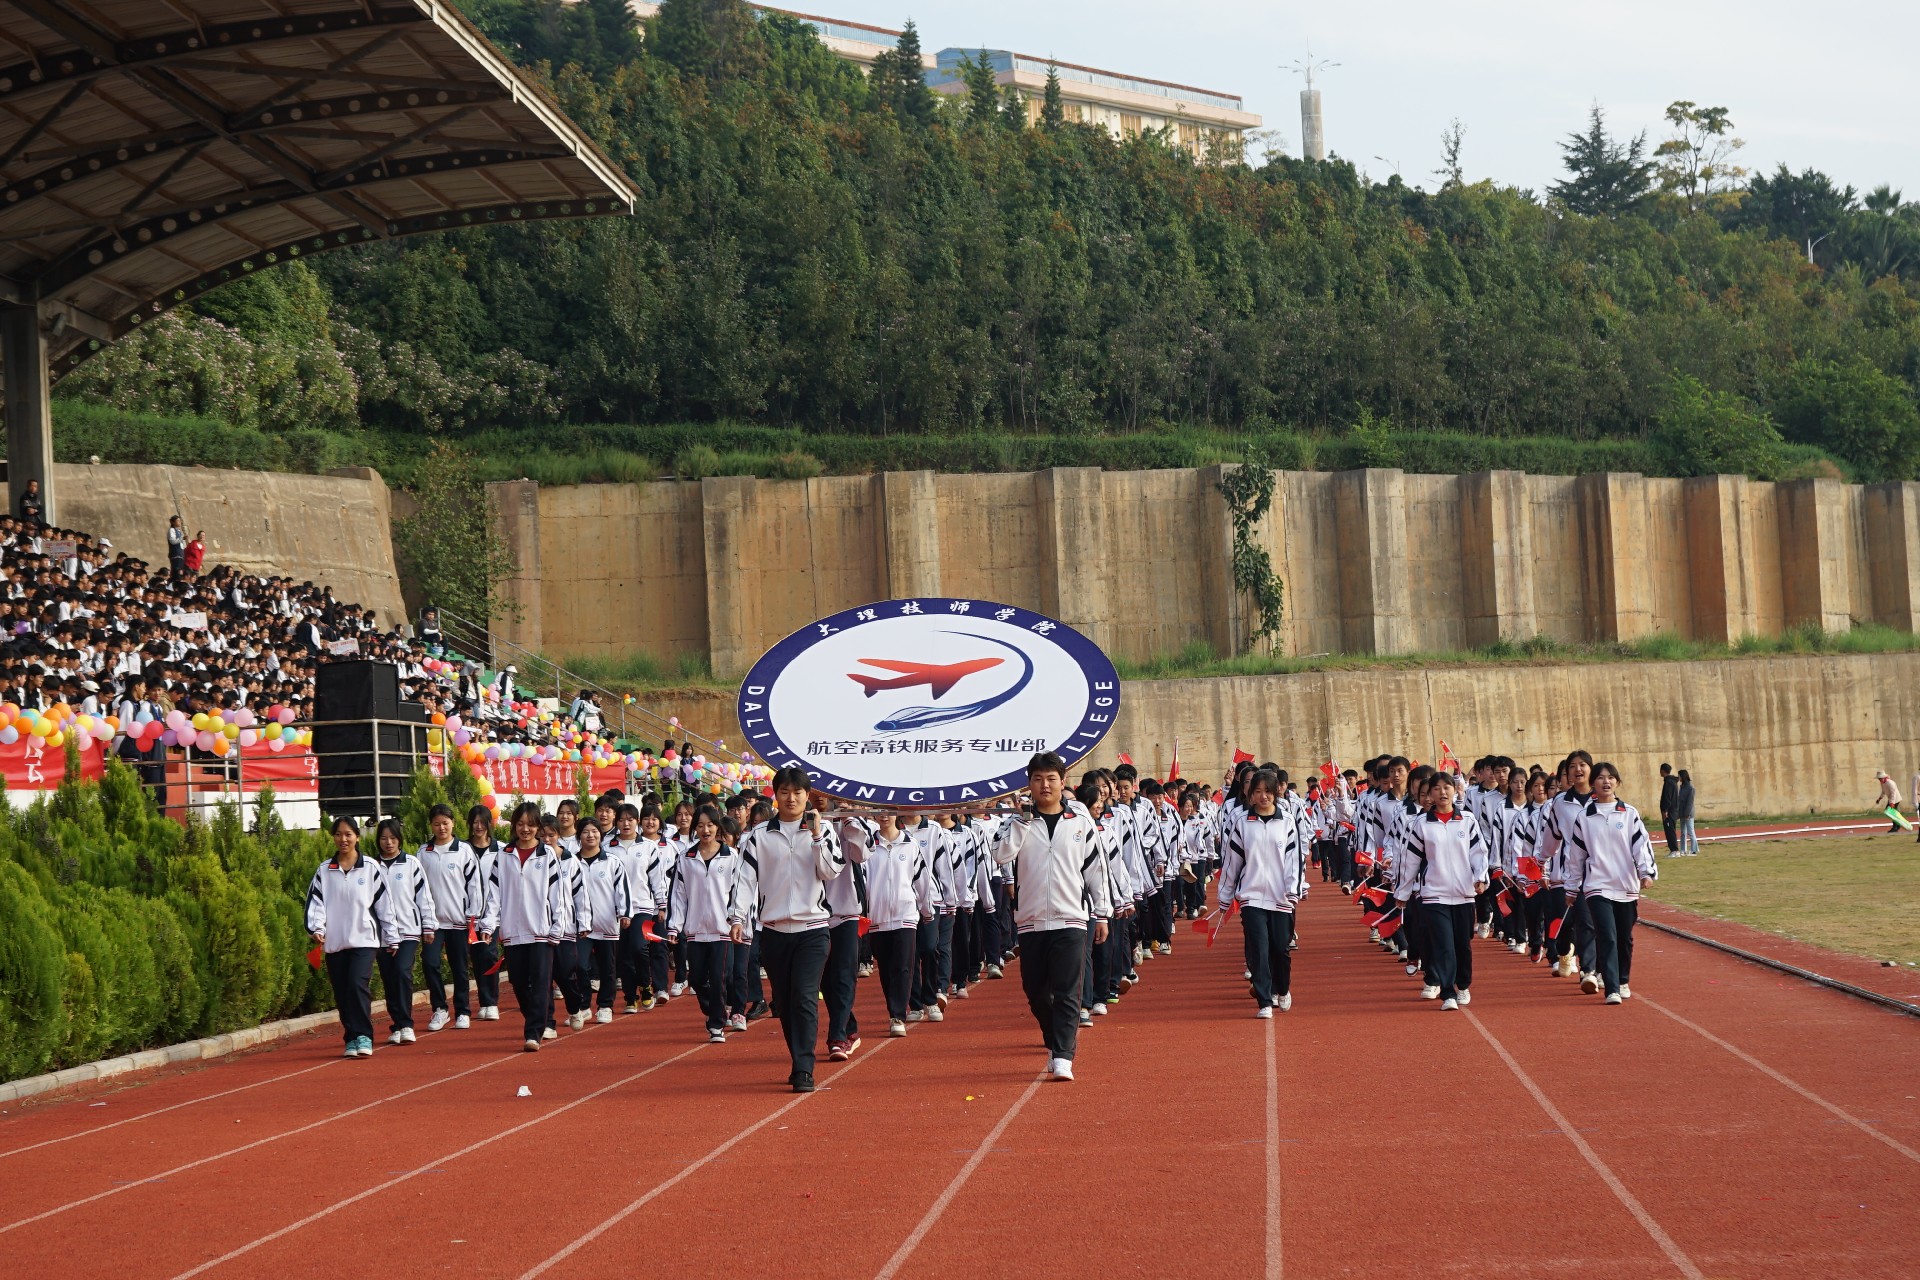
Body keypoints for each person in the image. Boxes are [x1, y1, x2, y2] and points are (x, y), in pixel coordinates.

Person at [990, 752, 1112, 1083]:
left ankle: (1063, 1056)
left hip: (1071, 917)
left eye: (1051, 778)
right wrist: (1021, 820)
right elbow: (999, 854)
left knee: (1068, 990)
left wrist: (1102, 913)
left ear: (1062, 781)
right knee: (1036, 990)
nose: (1045, 785)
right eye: (1038, 779)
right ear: (1029, 783)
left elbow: (1096, 869)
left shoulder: (1080, 821)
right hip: (1030, 920)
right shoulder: (1018, 822)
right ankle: (1053, 1040)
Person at [735, 766, 844, 1093]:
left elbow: (830, 871)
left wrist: (815, 837)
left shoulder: (822, 832)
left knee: (805, 998)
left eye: (798, 792)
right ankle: (798, 1056)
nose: (792, 798)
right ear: (776, 795)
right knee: (783, 1001)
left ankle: (803, 1067)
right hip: (775, 931)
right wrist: (738, 918)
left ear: (806, 795)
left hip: (812, 929)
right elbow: (744, 880)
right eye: (785, 792)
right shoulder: (758, 835)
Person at [481, 801, 575, 1052]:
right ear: (514, 826)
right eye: (520, 824)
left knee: (542, 981)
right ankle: (537, 1020)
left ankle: (533, 1032)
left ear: (537, 827)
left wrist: (558, 925)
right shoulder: (503, 856)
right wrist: (488, 924)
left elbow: (558, 895)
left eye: (530, 825)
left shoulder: (547, 857)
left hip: (542, 931)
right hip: (513, 931)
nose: (525, 829)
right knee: (520, 983)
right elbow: (493, 894)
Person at [305, 817, 399, 1059]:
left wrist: (392, 936)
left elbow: (384, 904)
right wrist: (317, 928)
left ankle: (364, 1035)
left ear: (357, 837)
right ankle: (351, 1037)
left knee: (358, 985)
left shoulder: (370, 868)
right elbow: (315, 903)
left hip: (364, 940)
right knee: (342, 991)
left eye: (348, 834)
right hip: (335, 943)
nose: (343, 839)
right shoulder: (325, 870)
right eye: (338, 834)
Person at [1564, 762, 1656, 1004]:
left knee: (1624, 937)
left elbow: (1640, 845)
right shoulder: (1585, 817)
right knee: (1607, 935)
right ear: (1593, 783)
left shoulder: (1629, 814)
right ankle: (1612, 988)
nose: (1606, 782)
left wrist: (1646, 873)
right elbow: (1576, 856)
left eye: (1611, 778)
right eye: (1601, 778)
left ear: (1617, 782)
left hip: (1626, 885)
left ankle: (1622, 979)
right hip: (1597, 885)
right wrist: (1572, 888)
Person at [1219, 767, 1309, 1017]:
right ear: (1250, 794)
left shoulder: (1287, 821)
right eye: (1257, 791)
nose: (1263, 796)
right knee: (1258, 949)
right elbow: (1232, 862)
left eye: (1267, 791)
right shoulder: (1241, 823)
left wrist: (1293, 890)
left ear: (1275, 793)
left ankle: (1282, 988)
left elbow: (1294, 859)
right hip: (1251, 896)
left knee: (1280, 948)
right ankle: (1264, 1000)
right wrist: (1226, 896)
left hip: (1281, 896)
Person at [1397, 772, 1489, 1011]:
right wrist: (1403, 892)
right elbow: (1410, 861)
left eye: (1446, 787)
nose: (1442, 792)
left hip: (1464, 894)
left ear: (1454, 790)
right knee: (1443, 944)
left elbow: (1479, 852)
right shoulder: (1421, 824)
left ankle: (1463, 985)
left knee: (1462, 944)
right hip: (1434, 894)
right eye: (1436, 789)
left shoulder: (1467, 820)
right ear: (1429, 795)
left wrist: (1480, 878)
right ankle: (1448, 992)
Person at [840, 808, 933, 1039]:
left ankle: (897, 1016)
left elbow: (922, 880)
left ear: (898, 814)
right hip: (878, 919)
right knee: (887, 970)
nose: (884, 816)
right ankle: (894, 1008)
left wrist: (926, 909)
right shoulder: (868, 848)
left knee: (903, 966)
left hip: (905, 915)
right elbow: (860, 881)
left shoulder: (910, 846)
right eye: (879, 812)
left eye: (889, 812)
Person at [666, 804, 747, 1045]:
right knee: (698, 980)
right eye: (700, 826)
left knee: (720, 977)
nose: (705, 830)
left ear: (718, 827)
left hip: (722, 931)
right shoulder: (686, 858)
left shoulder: (731, 856)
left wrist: (737, 920)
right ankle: (716, 1011)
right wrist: (674, 926)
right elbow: (678, 896)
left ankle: (716, 1025)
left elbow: (739, 891)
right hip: (695, 931)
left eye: (710, 825)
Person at [370, 818, 436, 1045]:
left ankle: (407, 1025)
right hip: (382, 935)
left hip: (408, 930)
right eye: (384, 838)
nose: (389, 843)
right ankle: (397, 1024)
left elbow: (423, 897)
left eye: (393, 838)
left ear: (400, 839)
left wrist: (429, 926)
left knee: (401, 972)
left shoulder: (411, 863)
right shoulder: (371, 866)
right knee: (389, 979)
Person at [418, 804, 481, 1031]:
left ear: (453, 823)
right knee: (430, 962)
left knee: (459, 967)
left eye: (445, 823)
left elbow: (475, 886)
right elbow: (418, 889)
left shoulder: (464, 850)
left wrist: (472, 914)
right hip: (433, 923)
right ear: (431, 826)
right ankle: (440, 1009)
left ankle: (463, 1011)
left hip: (459, 921)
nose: (441, 827)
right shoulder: (423, 852)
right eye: (437, 823)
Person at [575, 818, 634, 1023]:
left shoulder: (612, 862)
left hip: (606, 922)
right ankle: (583, 1005)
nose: (590, 835)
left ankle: (605, 1005)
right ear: (578, 835)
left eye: (594, 831)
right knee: (579, 966)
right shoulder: (572, 863)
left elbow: (622, 890)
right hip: (580, 926)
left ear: (600, 835)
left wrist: (625, 913)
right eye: (585, 832)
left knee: (607, 967)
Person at [1658, 763, 1679, 857]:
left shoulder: (1668, 782)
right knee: (1670, 829)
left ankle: (1674, 850)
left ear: (1663, 770)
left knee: (1670, 830)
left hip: (1669, 811)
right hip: (1673, 810)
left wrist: (1665, 810)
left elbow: (1667, 798)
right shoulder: (1672, 782)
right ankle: (1673, 850)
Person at [1676, 769, 1699, 854]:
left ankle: (1694, 850)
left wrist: (1686, 814)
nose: (1679, 778)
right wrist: (1678, 813)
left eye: (1680, 776)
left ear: (1683, 776)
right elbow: (1679, 800)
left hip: (1688, 814)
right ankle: (1683, 850)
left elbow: (1690, 802)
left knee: (1691, 832)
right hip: (1682, 813)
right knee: (1683, 833)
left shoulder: (1691, 788)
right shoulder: (1681, 787)